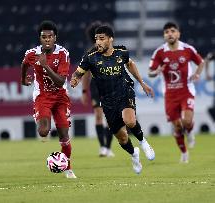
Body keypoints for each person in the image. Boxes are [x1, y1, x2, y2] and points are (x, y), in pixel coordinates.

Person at [70, 25, 155, 174]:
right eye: (96, 39)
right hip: (107, 100)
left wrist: (142, 83)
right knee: (122, 138)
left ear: (110, 39)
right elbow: (78, 73)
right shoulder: (91, 57)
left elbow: (131, 64)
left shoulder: (121, 52)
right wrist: (75, 79)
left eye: (102, 39)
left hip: (125, 91)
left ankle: (143, 142)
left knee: (130, 121)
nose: (98, 42)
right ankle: (134, 154)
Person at [21, 20, 76, 178]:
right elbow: (24, 64)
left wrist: (45, 66)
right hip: (42, 96)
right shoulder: (32, 53)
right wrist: (23, 79)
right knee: (44, 131)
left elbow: (60, 81)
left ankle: (68, 168)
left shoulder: (63, 53)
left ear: (55, 38)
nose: (47, 39)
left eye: (50, 36)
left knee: (63, 134)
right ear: (40, 38)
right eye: (43, 37)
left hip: (60, 97)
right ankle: (40, 117)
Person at [148, 22, 204, 163]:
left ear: (178, 33)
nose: (170, 34)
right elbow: (150, 73)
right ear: (164, 35)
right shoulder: (160, 52)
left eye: (173, 31)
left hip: (186, 91)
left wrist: (197, 74)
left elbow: (201, 62)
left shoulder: (187, 49)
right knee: (177, 126)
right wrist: (156, 71)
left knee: (187, 120)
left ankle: (190, 132)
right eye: (167, 32)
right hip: (170, 95)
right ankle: (184, 153)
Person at [81, 21, 114, 157]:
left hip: (111, 87)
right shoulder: (90, 54)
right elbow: (85, 74)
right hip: (96, 88)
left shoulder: (112, 51)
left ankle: (108, 147)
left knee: (111, 118)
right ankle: (102, 147)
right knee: (99, 116)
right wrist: (84, 91)